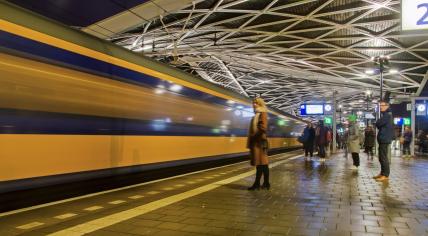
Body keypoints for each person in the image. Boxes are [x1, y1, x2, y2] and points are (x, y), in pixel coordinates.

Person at [247, 97, 270, 190]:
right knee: (262, 164)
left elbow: (263, 127)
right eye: (253, 102)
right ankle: (266, 183)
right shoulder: (257, 114)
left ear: (260, 104)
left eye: (256, 103)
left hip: (259, 142)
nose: (254, 104)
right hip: (258, 142)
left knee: (261, 164)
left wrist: (253, 136)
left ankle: (258, 184)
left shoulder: (262, 114)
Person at [374, 101, 394, 182]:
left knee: (383, 157)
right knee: (381, 157)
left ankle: (385, 175)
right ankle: (382, 173)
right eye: (380, 105)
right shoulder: (386, 115)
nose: (381, 107)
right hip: (383, 138)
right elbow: (378, 124)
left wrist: (378, 123)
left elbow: (378, 124)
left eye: (382, 105)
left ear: (387, 106)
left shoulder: (387, 115)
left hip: (384, 138)